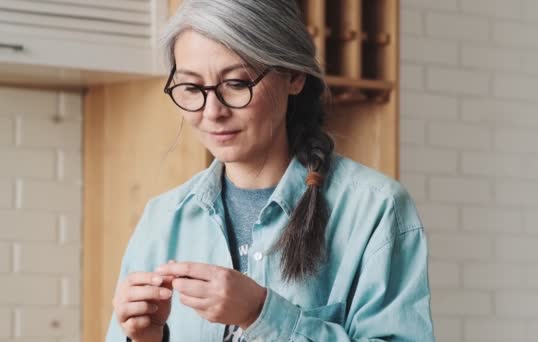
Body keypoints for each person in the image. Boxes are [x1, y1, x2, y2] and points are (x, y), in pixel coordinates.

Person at [106, 0, 435, 341]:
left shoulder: (376, 210)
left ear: (294, 76)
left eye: (236, 83)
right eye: (191, 88)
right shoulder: (161, 219)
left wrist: (261, 314)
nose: (212, 111)